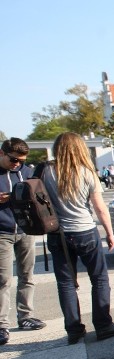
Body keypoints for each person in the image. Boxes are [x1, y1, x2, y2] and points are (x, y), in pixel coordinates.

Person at [41, 132, 114, 344]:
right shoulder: (86, 173)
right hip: (84, 230)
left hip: (57, 233)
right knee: (99, 278)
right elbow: (99, 208)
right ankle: (103, 325)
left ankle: (73, 329)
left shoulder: (46, 172)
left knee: (66, 283)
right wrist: (109, 232)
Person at [0, 138, 44, 346]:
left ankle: (25, 316)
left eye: (21, 161)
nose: (17, 164)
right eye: (14, 160)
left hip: (26, 230)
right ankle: (1, 325)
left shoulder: (26, 172)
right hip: (2, 232)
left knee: (27, 275)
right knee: (3, 280)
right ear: (2, 153)